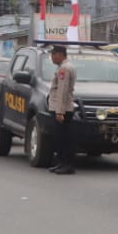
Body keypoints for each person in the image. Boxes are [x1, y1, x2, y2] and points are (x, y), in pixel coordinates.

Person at [46, 45, 77, 175]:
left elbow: (62, 91)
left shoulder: (64, 68)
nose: (52, 57)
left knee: (63, 138)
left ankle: (67, 164)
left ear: (60, 55)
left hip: (62, 109)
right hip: (62, 107)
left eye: (53, 54)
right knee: (59, 137)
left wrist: (60, 111)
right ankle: (61, 163)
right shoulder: (63, 67)